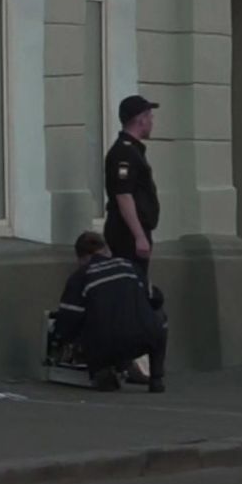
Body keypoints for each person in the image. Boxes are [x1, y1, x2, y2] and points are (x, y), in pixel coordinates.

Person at [53, 232, 168, 393]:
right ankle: (156, 378)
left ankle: (103, 370)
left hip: (104, 346)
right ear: (106, 249)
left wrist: (63, 341)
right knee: (160, 317)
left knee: (90, 326)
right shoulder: (129, 266)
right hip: (142, 338)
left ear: (81, 258)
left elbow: (68, 320)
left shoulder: (80, 277)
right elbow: (156, 298)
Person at [104, 95, 161, 284]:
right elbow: (124, 195)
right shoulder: (125, 153)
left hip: (132, 232)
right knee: (131, 286)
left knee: (138, 284)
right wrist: (139, 236)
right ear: (141, 119)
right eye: (150, 116)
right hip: (126, 234)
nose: (152, 121)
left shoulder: (133, 151)